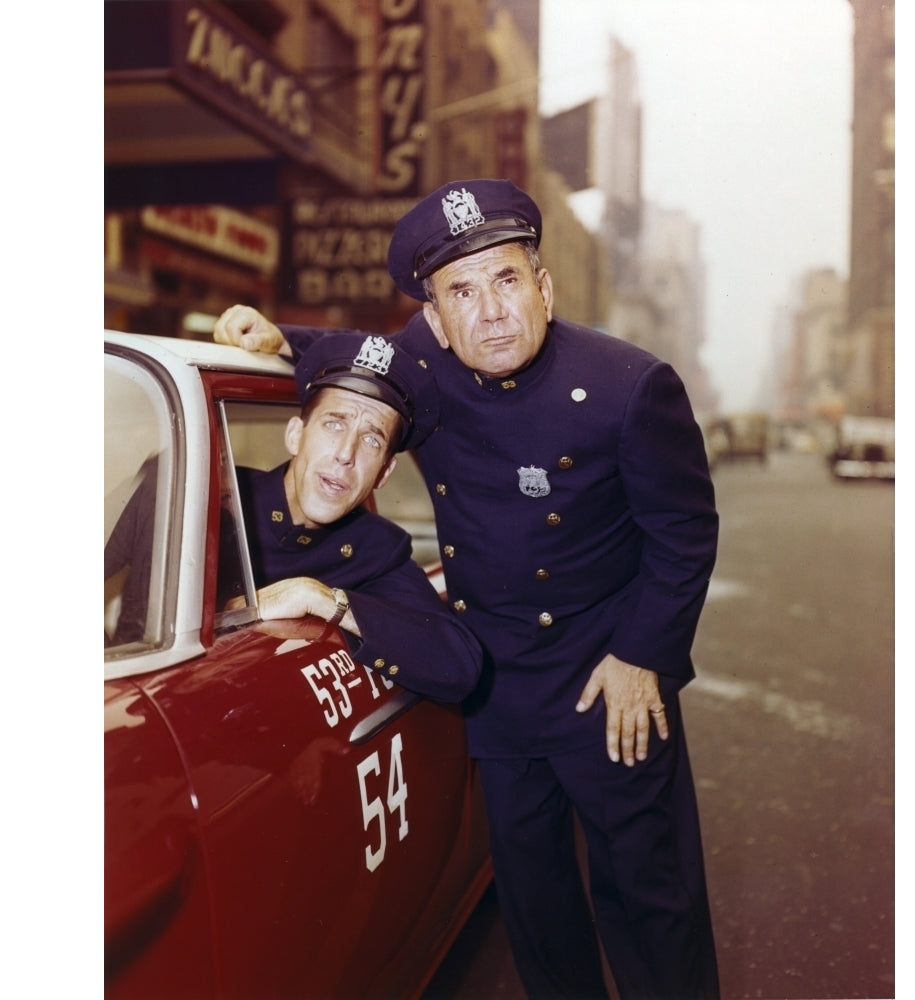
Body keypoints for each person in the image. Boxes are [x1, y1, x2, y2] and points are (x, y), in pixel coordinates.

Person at [214, 178, 720, 999]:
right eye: (461, 292)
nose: (489, 312)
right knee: (538, 908)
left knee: (649, 899)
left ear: (544, 286)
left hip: (608, 680)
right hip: (502, 690)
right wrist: (278, 338)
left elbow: (684, 530)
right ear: (435, 323)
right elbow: (351, 367)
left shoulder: (630, 385)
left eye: (507, 280)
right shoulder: (427, 370)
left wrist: (643, 655)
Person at [227, 329, 483, 704]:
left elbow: (460, 665)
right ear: (296, 435)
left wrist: (324, 600)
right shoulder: (216, 502)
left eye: (371, 440)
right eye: (334, 424)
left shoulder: (376, 550)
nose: (346, 454)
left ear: (383, 473)